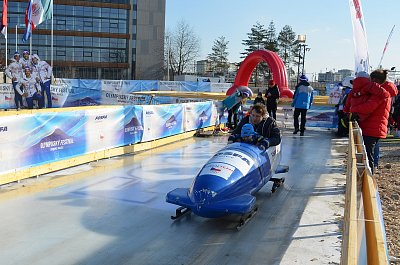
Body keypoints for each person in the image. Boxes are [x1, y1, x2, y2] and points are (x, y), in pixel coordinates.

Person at [346, 70, 393, 173]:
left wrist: (353, 110)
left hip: (372, 128)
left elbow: (369, 107)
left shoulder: (379, 93)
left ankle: (369, 180)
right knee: (369, 154)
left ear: (375, 80)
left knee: (367, 156)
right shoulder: (382, 92)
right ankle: (369, 178)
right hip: (376, 128)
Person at [369, 69, 398, 171]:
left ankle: (373, 167)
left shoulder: (381, 91)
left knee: (372, 145)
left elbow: (371, 106)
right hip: (384, 118)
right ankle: (374, 164)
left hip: (376, 119)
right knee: (375, 143)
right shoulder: (390, 88)